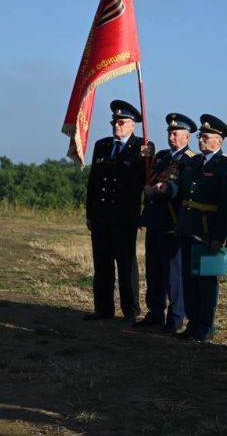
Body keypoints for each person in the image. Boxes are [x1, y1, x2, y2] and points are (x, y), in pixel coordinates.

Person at [149, 114, 227, 342]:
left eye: (206, 137)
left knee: (206, 280)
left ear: (219, 140)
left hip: (208, 231)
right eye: (200, 136)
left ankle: (206, 326)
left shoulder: (226, 165)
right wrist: (166, 187)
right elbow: (180, 188)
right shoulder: (194, 162)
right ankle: (193, 324)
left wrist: (220, 236)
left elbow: (226, 205)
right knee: (189, 279)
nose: (201, 140)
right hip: (188, 227)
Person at [84, 100, 152, 323]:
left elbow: (145, 182)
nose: (117, 126)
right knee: (102, 264)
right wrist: (89, 213)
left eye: (122, 122)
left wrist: (146, 158)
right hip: (101, 215)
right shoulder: (102, 145)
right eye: (114, 121)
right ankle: (102, 309)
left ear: (133, 125)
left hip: (125, 217)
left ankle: (130, 310)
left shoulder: (143, 148)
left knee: (126, 265)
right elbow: (93, 182)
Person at [136, 113, 196, 333]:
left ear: (186, 136)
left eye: (176, 133)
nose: (171, 136)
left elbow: (181, 189)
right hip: (154, 219)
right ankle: (155, 312)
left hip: (173, 221)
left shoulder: (190, 159)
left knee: (174, 274)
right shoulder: (161, 156)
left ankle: (176, 317)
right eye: (169, 133)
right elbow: (149, 179)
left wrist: (163, 190)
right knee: (154, 270)